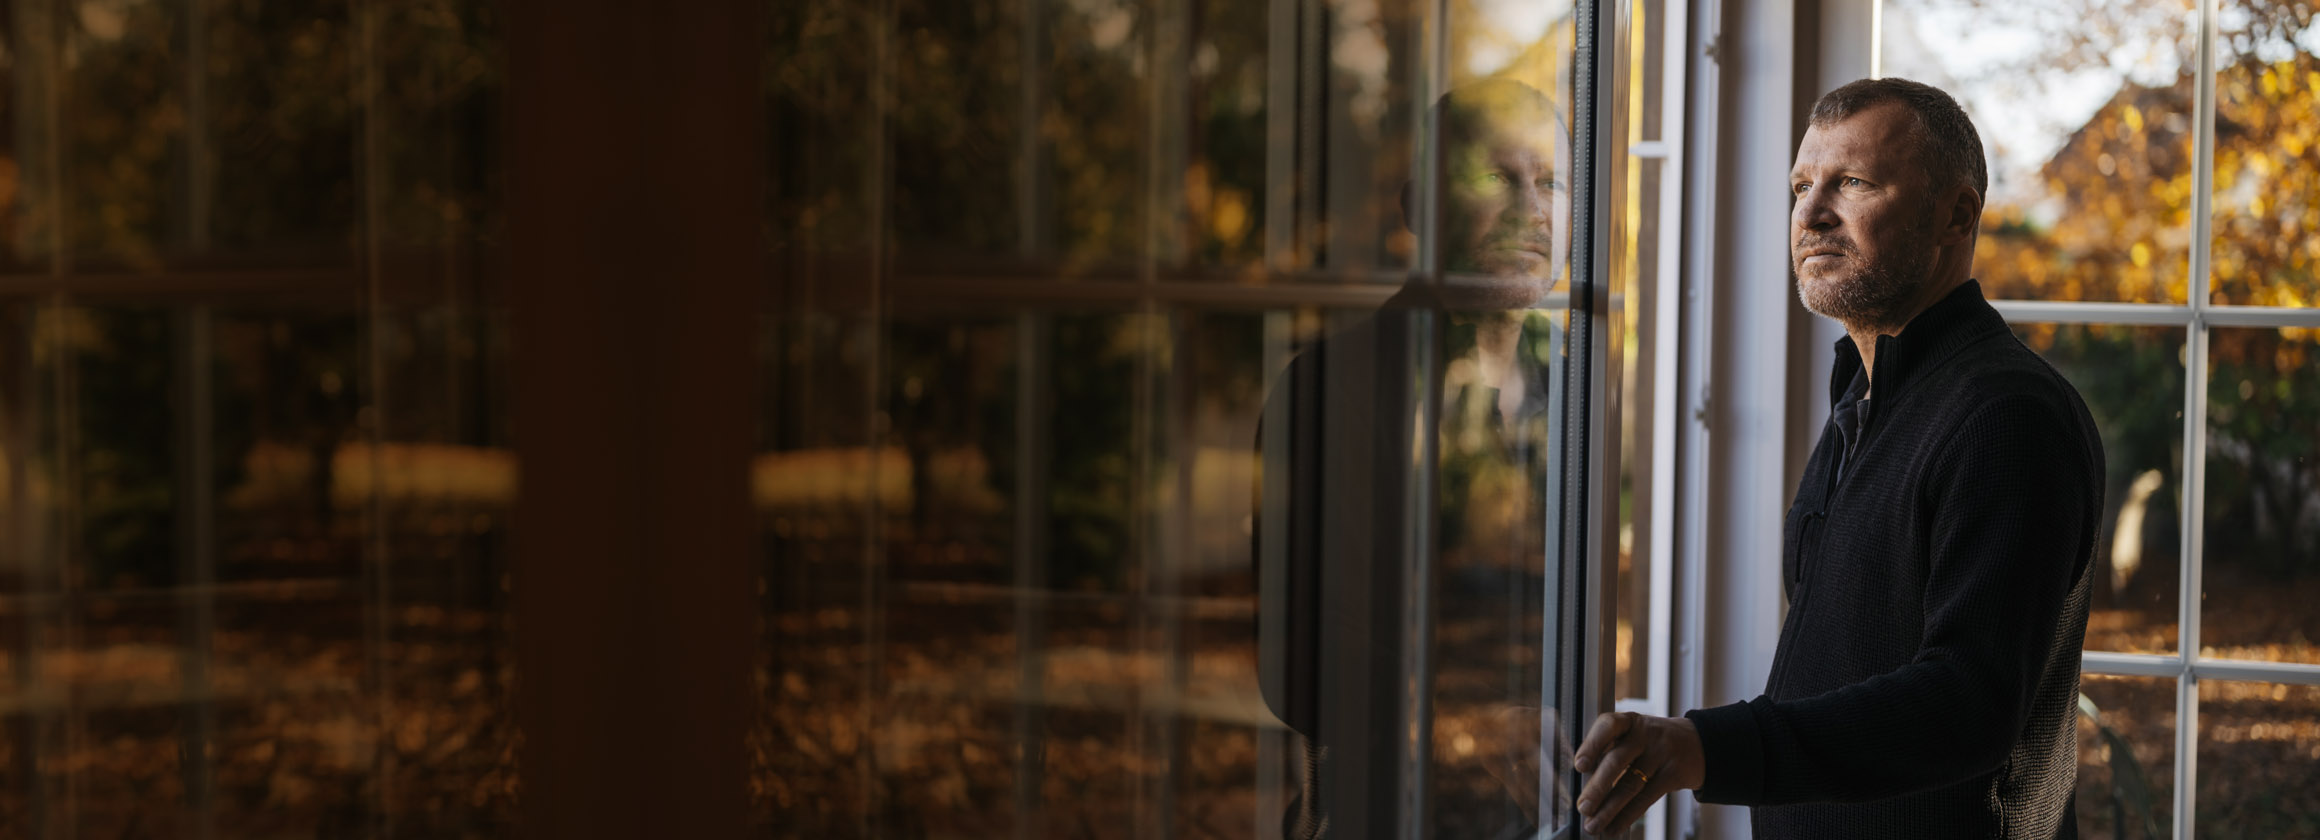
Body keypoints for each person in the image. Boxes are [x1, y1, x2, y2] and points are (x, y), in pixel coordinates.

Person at [1570, 78, 2104, 838]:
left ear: (1957, 215)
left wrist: (1702, 748)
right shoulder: (1864, 398)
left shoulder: (2005, 416)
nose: (1811, 214)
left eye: (1853, 183)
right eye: (1801, 186)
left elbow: (1966, 705)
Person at [1254, 78, 1576, 840]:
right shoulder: (1329, 386)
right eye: (1495, 177)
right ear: (1416, 208)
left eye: (1553, 181)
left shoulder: (1580, 391)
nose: (1531, 207)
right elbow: (1300, 660)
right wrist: (1469, 720)